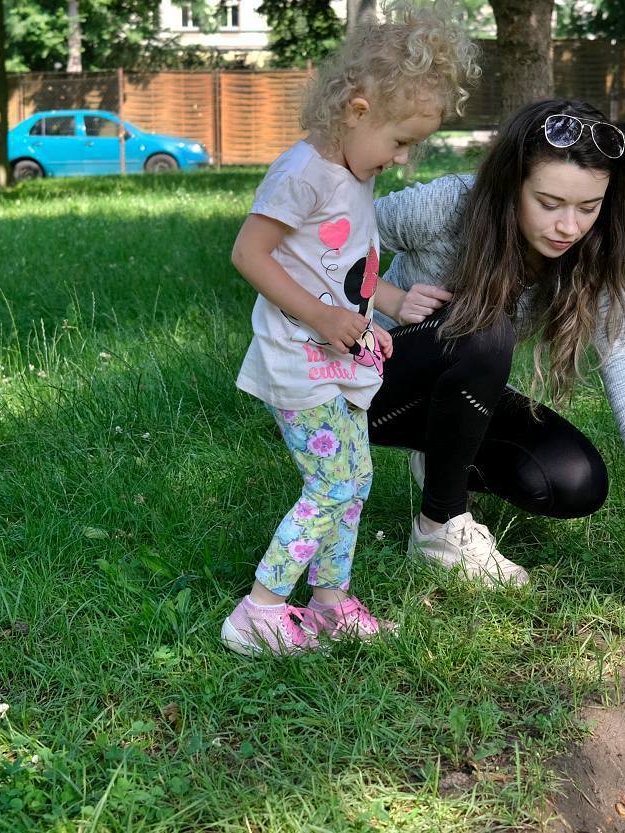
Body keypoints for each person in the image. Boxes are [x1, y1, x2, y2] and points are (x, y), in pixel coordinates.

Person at [367, 99, 625, 672]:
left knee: (574, 481)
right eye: (549, 204)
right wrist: (387, 298)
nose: (569, 227)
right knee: (485, 331)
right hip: (360, 382)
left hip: (454, 387)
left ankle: (441, 459)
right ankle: (438, 527)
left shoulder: (588, 263)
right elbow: (318, 237)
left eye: (588, 207)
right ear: (511, 186)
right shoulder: (451, 206)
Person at [219, 4, 479, 655]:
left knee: (355, 480)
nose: (404, 158)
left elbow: (345, 268)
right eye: (400, 142)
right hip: (296, 361)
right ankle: (259, 610)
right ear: (357, 112)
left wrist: (388, 304)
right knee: (332, 484)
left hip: (338, 357)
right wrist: (325, 318)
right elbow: (249, 253)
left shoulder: (353, 173)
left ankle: (330, 602)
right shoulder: (302, 174)